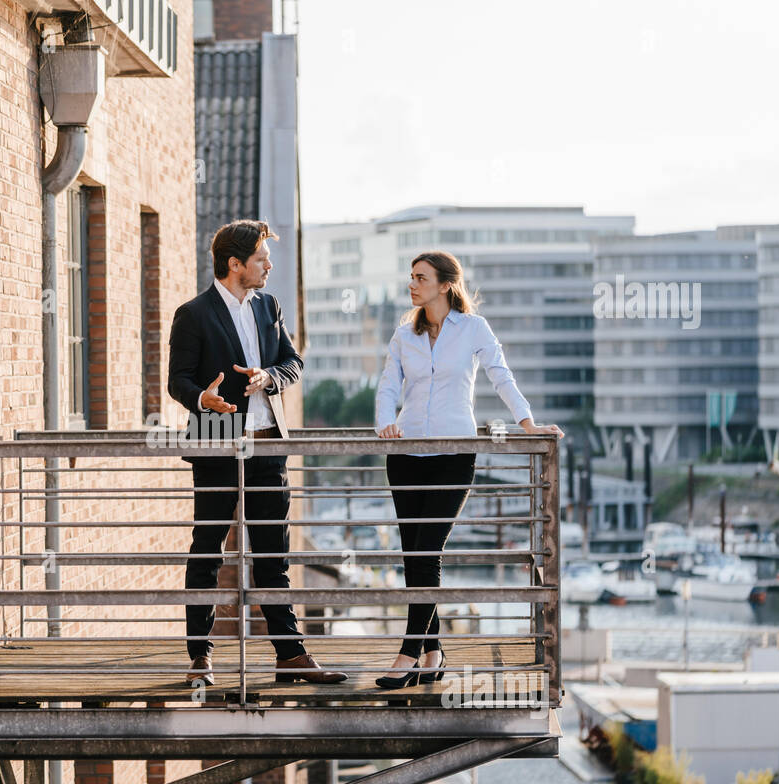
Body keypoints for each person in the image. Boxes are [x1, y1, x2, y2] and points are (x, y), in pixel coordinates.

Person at [167, 220, 347, 686]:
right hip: (217, 446)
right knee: (208, 552)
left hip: (267, 444)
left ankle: (291, 656)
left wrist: (270, 377)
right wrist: (202, 399)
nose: (269, 265)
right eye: (262, 258)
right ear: (235, 264)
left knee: (274, 557)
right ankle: (199, 659)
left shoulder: (270, 306)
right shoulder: (193, 314)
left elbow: (293, 362)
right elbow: (178, 380)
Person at [373, 251, 563, 689]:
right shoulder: (405, 334)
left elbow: (500, 374)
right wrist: (385, 422)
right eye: (411, 277)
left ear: (445, 285)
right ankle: (434, 653)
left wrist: (528, 423)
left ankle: (407, 653)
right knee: (413, 554)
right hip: (404, 456)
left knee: (426, 549)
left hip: (454, 455)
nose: (412, 285)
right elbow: (388, 384)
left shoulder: (473, 329)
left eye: (421, 278)